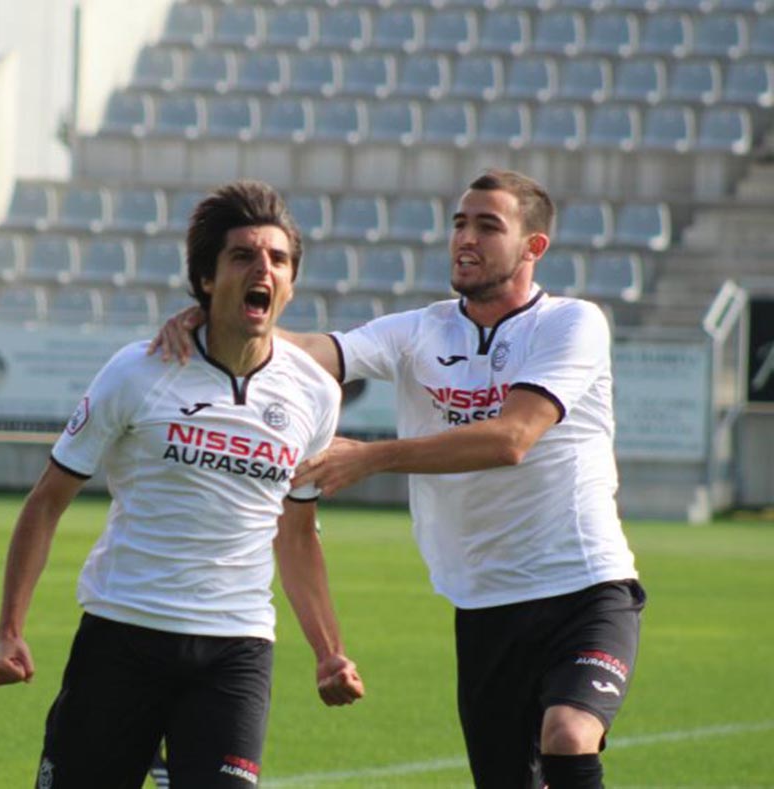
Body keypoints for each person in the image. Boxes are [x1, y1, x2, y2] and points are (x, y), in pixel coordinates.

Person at [156, 169, 644, 789]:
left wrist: (372, 456)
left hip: (586, 587)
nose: (465, 237)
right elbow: (314, 353)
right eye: (459, 223)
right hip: (483, 604)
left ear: (533, 248)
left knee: (569, 735)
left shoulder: (571, 324)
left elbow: (511, 438)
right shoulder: (421, 330)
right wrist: (214, 317)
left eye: (488, 225)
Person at [0, 181, 365, 788]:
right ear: (207, 280)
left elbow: (296, 534)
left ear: (291, 283)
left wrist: (328, 651)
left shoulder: (315, 395)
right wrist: (10, 629)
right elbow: (47, 501)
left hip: (236, 647)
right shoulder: (138, 371)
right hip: (123, 634)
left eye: (277, 259)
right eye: (242, 255)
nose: (262, 268)